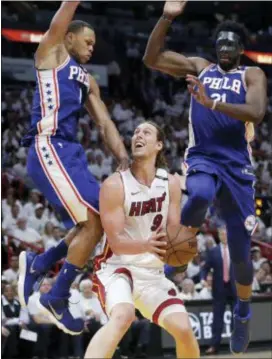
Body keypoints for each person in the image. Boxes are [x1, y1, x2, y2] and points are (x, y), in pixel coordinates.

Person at [143, 0, 267, 354]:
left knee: (242, 255)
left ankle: (243, 310)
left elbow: (256, 113)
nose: (225, 48)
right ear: (216, 47)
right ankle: (173, 263)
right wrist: (166, 17)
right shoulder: (201, 68)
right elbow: (153, 58)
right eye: (221, 43)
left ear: (241, 49)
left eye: (232, 44)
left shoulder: (252, 75)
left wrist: (212, 103)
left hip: (238, 169)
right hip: (203, 158)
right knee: (197, 195)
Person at [18, 1, 129, 335]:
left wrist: (123, 158)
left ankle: (40, 265)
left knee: (99, 223)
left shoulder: (88, 80)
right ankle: (56, 292)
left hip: (71, 153)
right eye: (87, 41)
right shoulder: (52, 53)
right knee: (95, 220)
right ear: (68, 38)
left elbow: (106, 122)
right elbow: (61, 17)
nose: (92, 47)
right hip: (48, 145)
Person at [84, 122, 199, 359]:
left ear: (159, 145)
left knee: (184, 329)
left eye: (146, 132)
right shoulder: (115, 184)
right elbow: (115, 242)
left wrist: (182, 248)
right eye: (136, 132)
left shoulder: (171, 183)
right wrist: (147, 244)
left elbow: (173, 231)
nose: (138, 134)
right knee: (123, 316)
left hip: (152, 274)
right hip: (117, 268)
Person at [201, 225, 236, 355]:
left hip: (235, 289)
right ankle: (214, 346)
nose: (224, 236)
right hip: (219, 289)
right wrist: (203, 279)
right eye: (221, 234)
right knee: (217, 319)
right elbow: (204, 268)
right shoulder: (213, 251)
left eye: (226, 234)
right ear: (219, 236)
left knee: (236, 318)